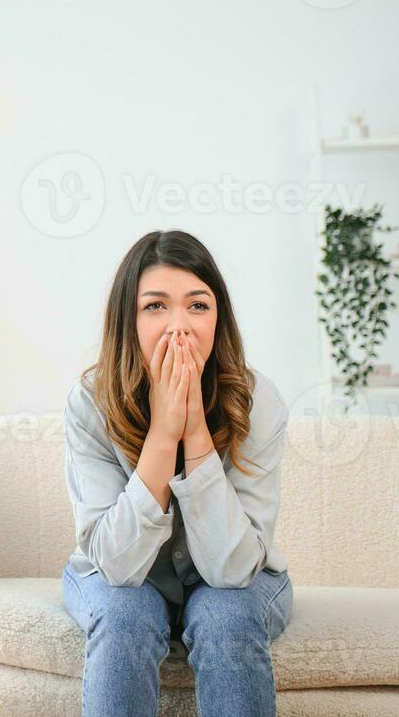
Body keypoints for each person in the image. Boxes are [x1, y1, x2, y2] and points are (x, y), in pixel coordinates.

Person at [62, 229, 292, 717]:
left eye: (197, 305)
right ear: (128, 319)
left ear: (218, 319)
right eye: (155, 306)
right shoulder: (89, 403)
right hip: (119, 574)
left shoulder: (258, 400)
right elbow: (117, 569)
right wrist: (163, 436)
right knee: (125, 612)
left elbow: (233, 572)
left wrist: (195, 434)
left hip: (238, 576)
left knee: (225, 614)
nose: (178, 327)